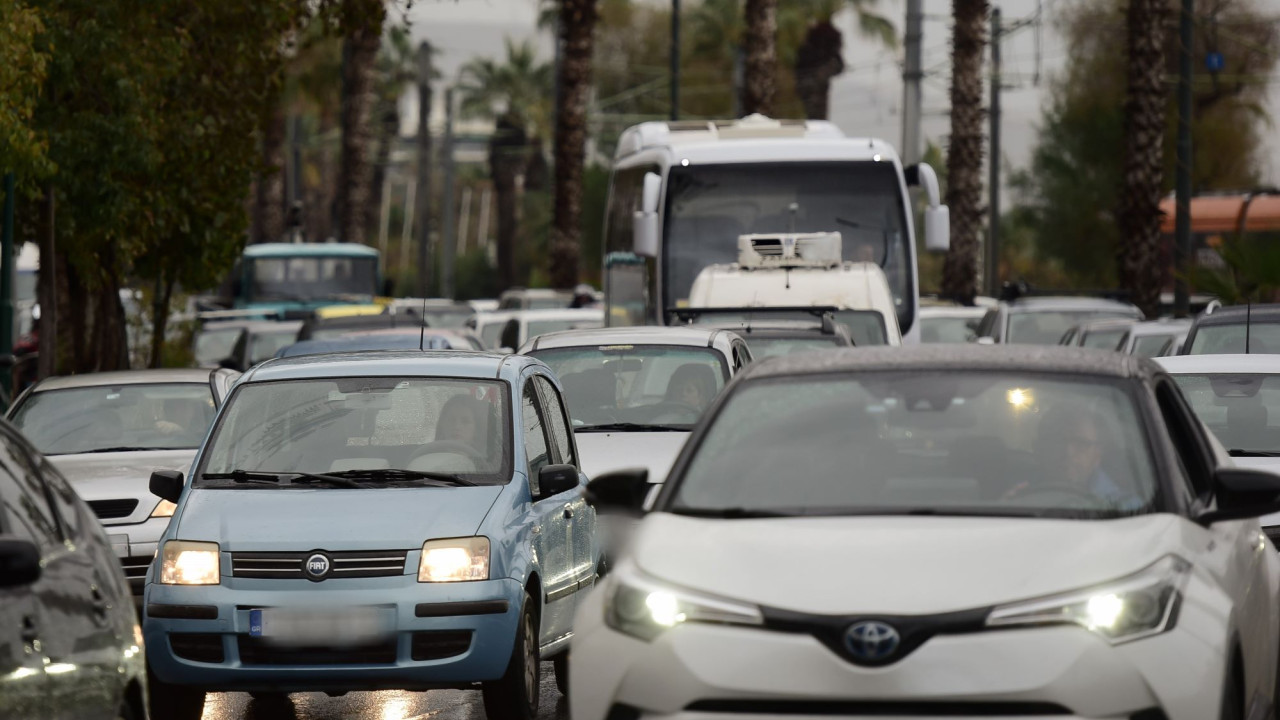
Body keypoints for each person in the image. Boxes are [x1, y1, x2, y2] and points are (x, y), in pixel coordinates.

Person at [1006, 404, 1142, 510]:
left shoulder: (1127, 509)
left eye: (1081, 444)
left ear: (1097, 454)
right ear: (1038, 449)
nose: (1068, 453)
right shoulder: (1016, 498)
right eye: (1057, 442)